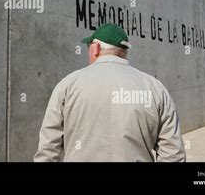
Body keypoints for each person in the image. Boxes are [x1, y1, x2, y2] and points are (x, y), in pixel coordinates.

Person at [34, 23, 186, 162]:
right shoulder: (155, 88)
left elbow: (48, 149)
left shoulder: (67, 85)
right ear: (124, 51)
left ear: (95, 49)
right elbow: (173, 154)